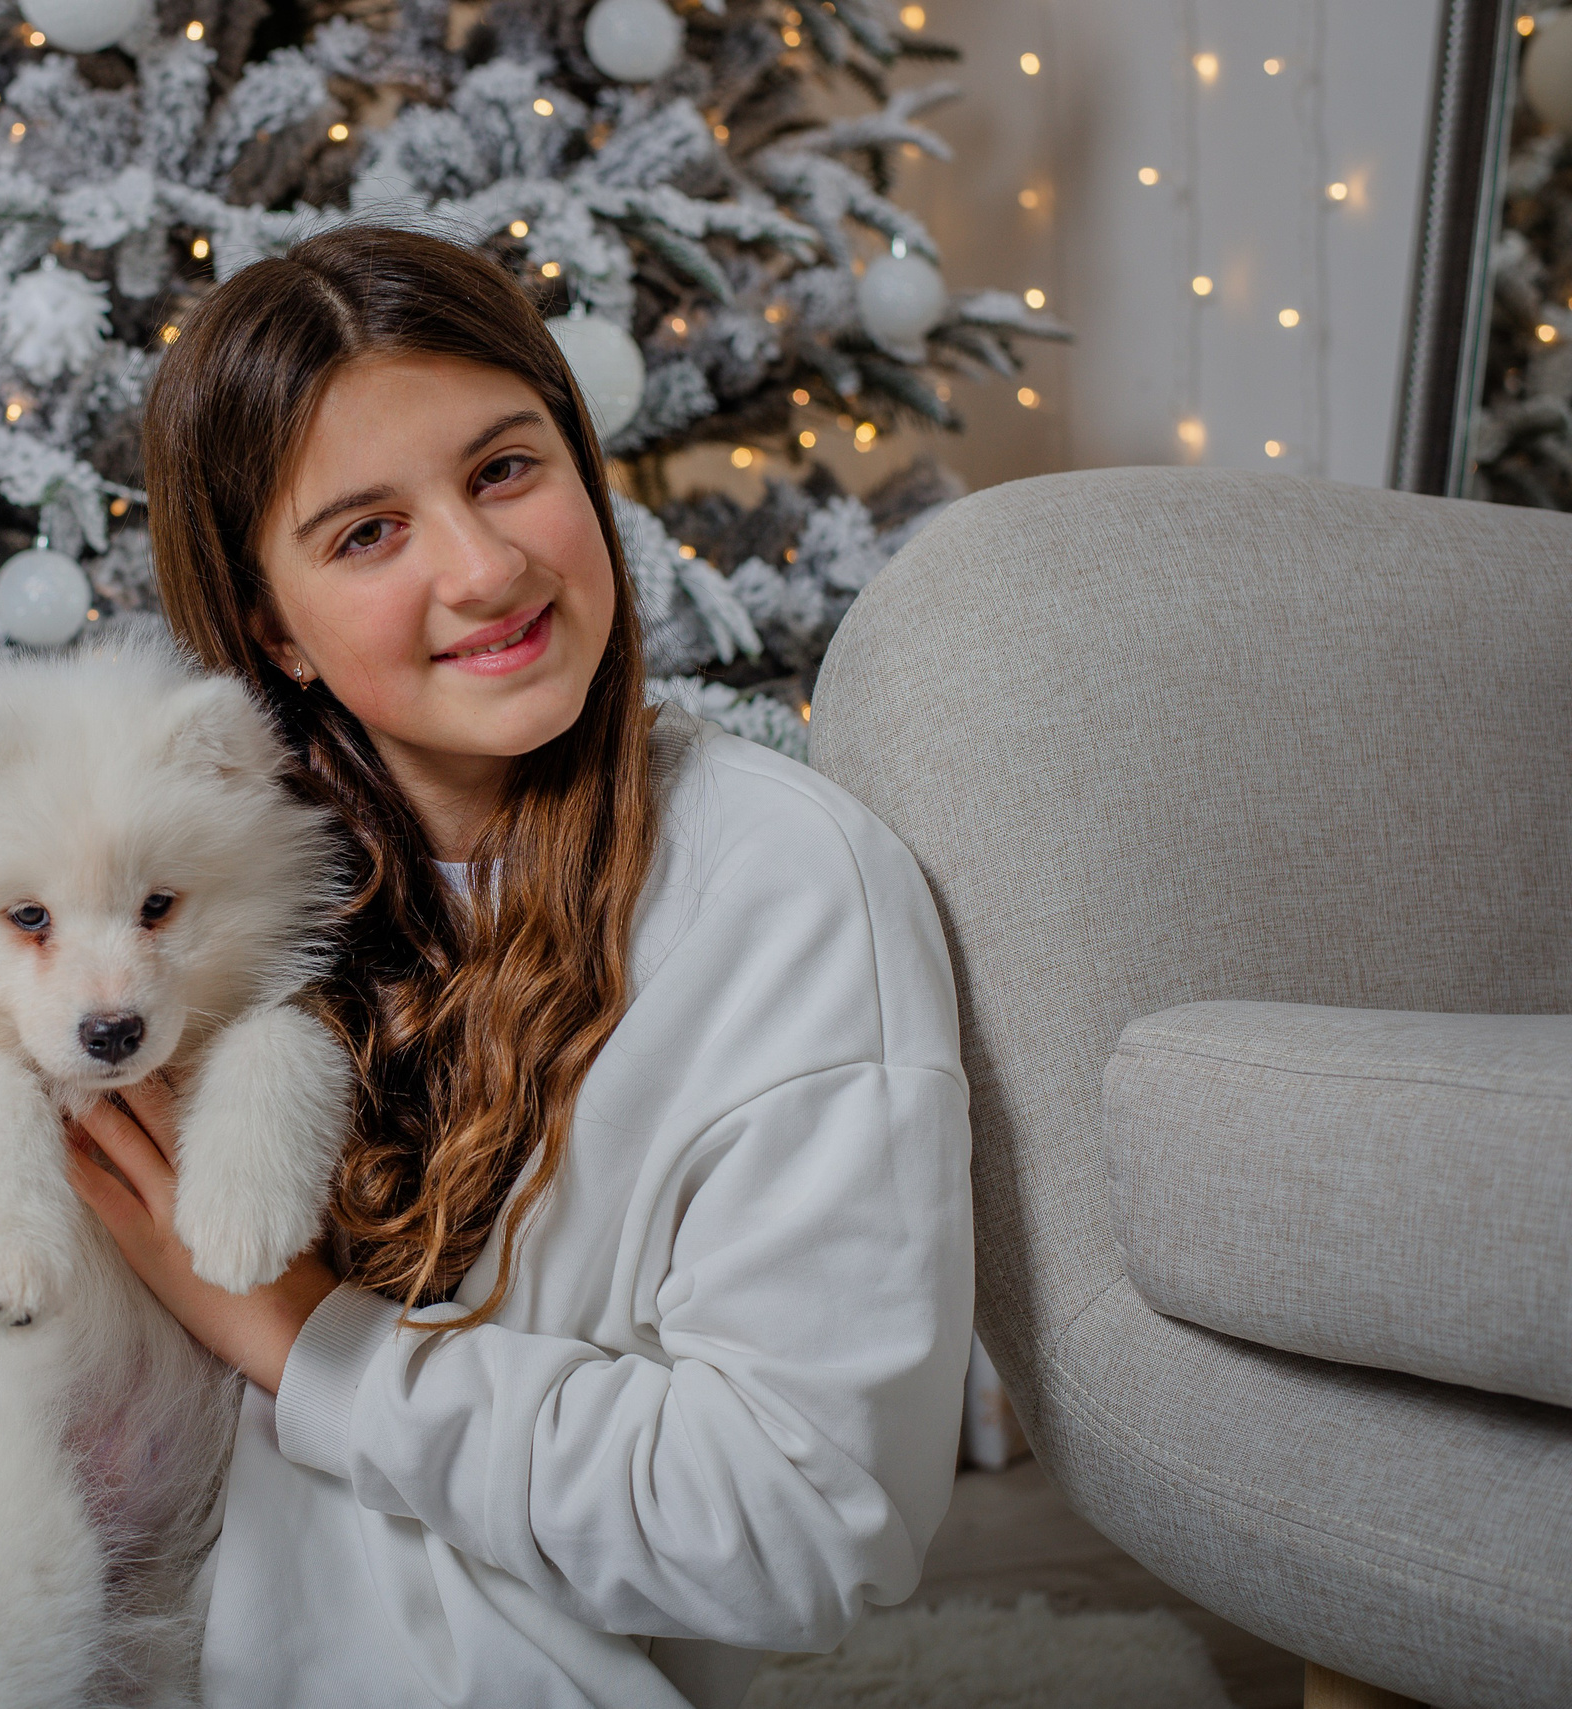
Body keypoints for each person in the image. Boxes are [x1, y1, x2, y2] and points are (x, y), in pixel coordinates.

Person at [59, 222, 975, 1709]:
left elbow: (802, 1527)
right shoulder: (160, 889)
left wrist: (309, 1343)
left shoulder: (784, 895)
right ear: (269, 628)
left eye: (502, 469)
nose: (486, 570)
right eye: (366, 533)